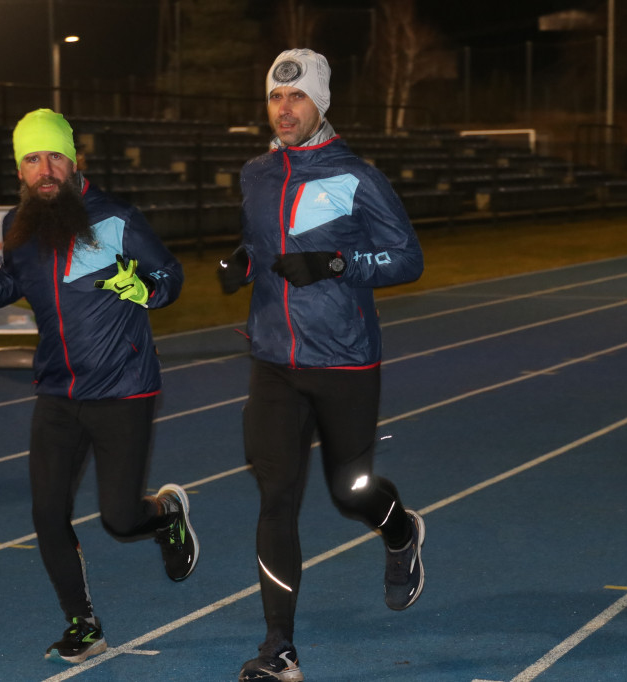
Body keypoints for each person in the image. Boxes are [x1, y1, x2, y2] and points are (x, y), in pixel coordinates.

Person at [0, 108, 197, 665]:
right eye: (32, 159)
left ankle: (165, 514)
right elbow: (13, 280)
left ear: (74, 159)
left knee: (119, 518)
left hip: (123, 387)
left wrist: (144, 288)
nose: (45, 169)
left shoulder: (117, 216)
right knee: (47, 513)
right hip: (58, 391)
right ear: (19, 169)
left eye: (54, 156)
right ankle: (83, 624)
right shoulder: (19, 226)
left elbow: (171, 275)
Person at [217, 49, 426, 682]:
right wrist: (242, 265)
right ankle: (279, 648)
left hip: (345, 362)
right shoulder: (256, 174)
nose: (284, 109)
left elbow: (407, 259)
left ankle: (400, 532)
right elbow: (262, 246)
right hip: (274, 361)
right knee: (275, 497)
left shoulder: (358, 176)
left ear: (321, 103)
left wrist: (338, 264)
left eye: (297, 98)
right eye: (276, 98)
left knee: (350, 492)